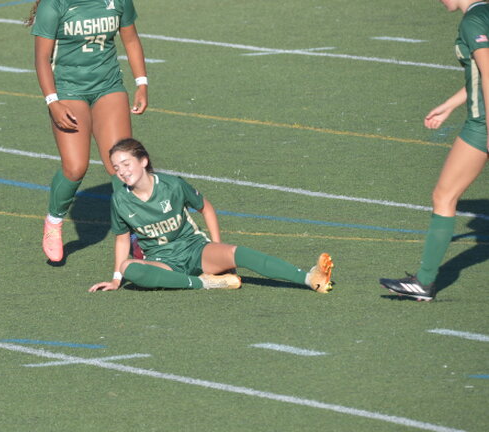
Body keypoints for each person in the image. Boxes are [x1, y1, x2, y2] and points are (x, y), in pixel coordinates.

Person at [88, 138, 335, 293]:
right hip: (163, 262)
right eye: (116, 167)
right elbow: (122, 238)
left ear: (143, 161)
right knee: (129, 268)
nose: (122, 171)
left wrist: (217, 246)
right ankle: (205, 283)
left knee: (237, 252)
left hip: (196, 250)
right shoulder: (120, 199)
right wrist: (116, 279)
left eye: (126, 163)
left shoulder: (173, 185)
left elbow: (206, 208)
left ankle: (308, 278)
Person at [380, 0, 488, 301]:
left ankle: (425, 282)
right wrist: (450, 105)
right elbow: (479, 75)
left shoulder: (473, 21)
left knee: (444, 196)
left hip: (481, 125)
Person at [25, 0, 148, 262]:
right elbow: (41, 59)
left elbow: (131, 39)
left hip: (109, 86)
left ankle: (136, 233)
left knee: (122, 163)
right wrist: (53, 101)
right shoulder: (54, 5)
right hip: (68, 90)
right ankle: (54, 221)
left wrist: (142, 83)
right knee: (75, 167)